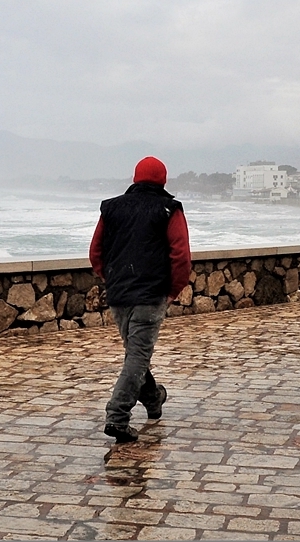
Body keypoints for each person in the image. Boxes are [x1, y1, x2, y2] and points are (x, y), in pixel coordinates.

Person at [89, 155, 192, 443]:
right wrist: (173, 290)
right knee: (137, 356)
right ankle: (117, 416)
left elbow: (95, 251)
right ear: (163, 180)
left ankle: (154, 397)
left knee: (136, 354)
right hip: (150, 295)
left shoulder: (111, 208)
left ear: (135, 178)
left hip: (120, 294)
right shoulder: (169, 209)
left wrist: (111, 279)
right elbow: (181, 255)